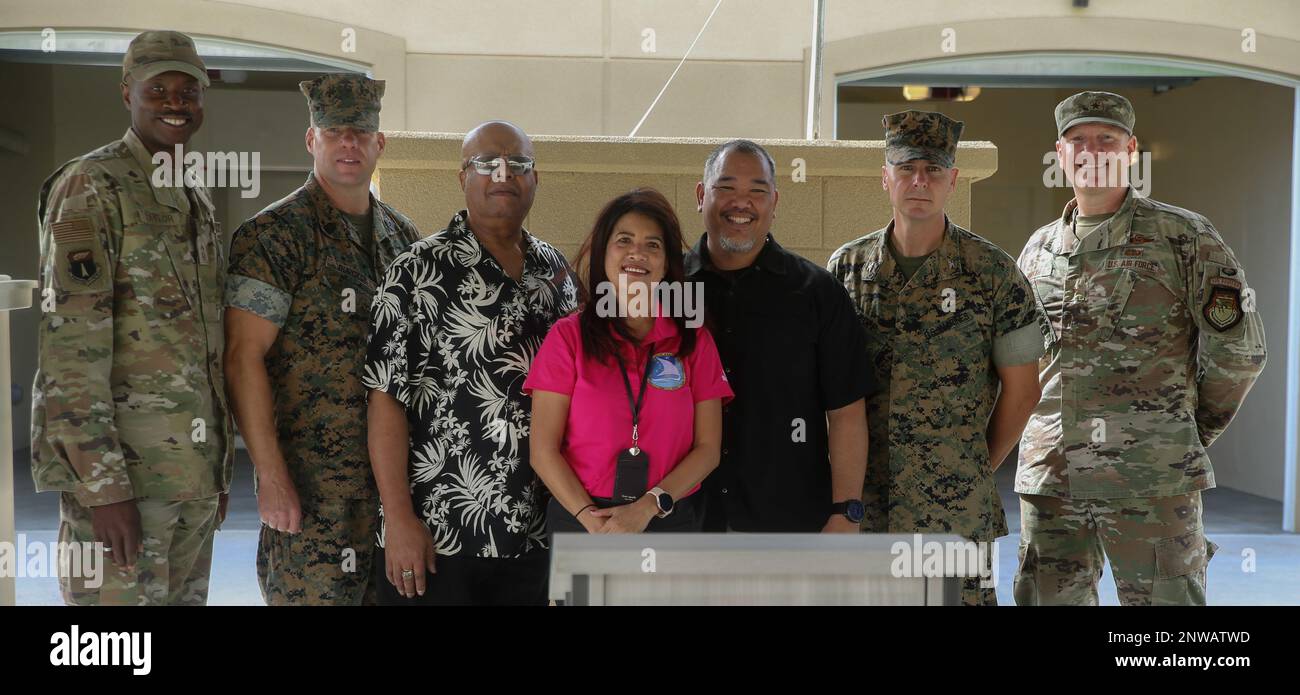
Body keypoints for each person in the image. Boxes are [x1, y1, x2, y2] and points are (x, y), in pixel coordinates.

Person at [1014, 91, 1268, 605]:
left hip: (1151, 480)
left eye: (1106, 139)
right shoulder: (1038, 248)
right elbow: (1021, 363)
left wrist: (1180, 432)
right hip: (1051, 481)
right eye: (1077, 140)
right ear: (1059, 154)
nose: (1091, 151)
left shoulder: (1183, 236)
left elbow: (1239, 352)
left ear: (1131, 150)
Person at [31, 30, 232, 605]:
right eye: (158, 89)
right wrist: (102, 489)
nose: (175, 103)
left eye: (188, 91)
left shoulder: (192, 193)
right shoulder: (90, 184)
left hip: (190, 479)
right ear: (127, 93)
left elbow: (203, 343)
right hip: (127, 486)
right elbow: (71, 349)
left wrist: (215, 472)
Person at [827, 110, 1044, 605]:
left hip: (955, 514)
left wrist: (970, 465)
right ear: (886, 178)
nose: (919, 181)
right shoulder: (847, 269)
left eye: (933, 170)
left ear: (953, 179)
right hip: (867, 507)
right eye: (906, 168)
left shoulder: (993, 273)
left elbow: (1023, 391)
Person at [362, 121, 579, 605]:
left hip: (535, 536)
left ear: (535, 178)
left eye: (518, 163)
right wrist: (398, 518)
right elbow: (385, 401)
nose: (503, 173)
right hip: (439, 536)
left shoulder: (557, 274)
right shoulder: (416, 271)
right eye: (486, 163)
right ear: (463, 177)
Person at [224, 74, 420, 605]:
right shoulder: (274, 236)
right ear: (312, 140)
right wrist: (270, 475)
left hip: (393, 496)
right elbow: (243, 358)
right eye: (333, 131)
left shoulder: (404, 239)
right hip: (312, 496)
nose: (348, 143)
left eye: (360, 131)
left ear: (380, 143)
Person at [685, 139, 871, 533]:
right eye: (726, 187)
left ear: (775, 202)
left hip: (790, 523)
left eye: (757, 190)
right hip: (684, 521)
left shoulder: (818, 293)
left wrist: (845, 513)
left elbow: (846, 413)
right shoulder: (667, 290)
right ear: (701, 196)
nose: (742, 202)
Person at [526, 188, 732, 536]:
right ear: (603, 252)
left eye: (653, 245)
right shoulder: (568, 337)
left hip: (668, 516)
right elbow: (543, 450)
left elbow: (708, 449)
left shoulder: (694, 340)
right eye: (624, 240)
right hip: (582, 519)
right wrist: (593, 521)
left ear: (666, 264)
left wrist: (647, 507)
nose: (638, 252)